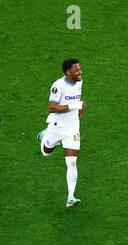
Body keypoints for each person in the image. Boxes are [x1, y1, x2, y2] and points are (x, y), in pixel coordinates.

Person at [36, 58, 85, 208]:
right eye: (76, 70)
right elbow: (51, 107)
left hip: (72, 128)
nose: (80, 72)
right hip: (57, 127)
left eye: (79, 69)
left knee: (72, 162)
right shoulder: (58, 85)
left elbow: (77, 99)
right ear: (68, 71)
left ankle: (71, 197)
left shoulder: (79, 81)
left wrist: (80, 107)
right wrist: (72, 105)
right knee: (46, 152)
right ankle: (45, 135)